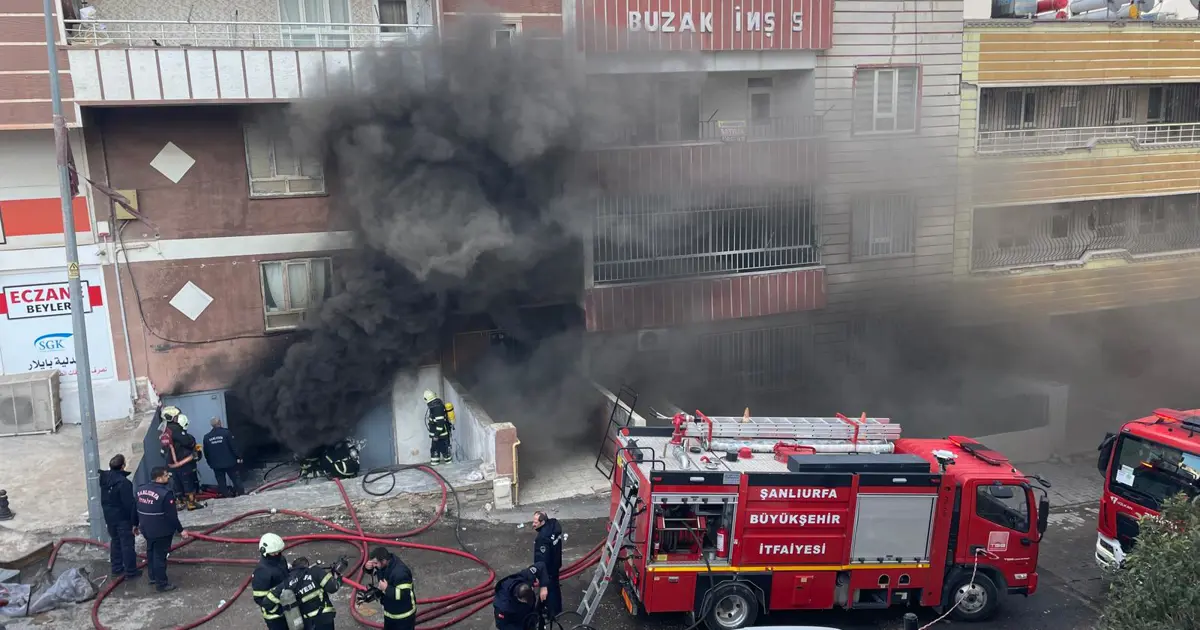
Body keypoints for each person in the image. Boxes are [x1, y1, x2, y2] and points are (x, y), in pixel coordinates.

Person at [136, 466, 190, 592]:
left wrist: (135, 524)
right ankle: (161, 584)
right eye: (166, 475)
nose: (168, 477)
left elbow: (136, 508)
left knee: (150, 551)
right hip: (161, 531)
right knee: (160, 556)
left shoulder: (140, 490)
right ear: (159, 478)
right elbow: (172, 515)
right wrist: (181, 530)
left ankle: (153, 577)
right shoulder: (165, 494)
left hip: (146, 529)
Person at [99, 454, 141, 580]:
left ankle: (116, 568)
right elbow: (130, 504)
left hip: (109, 518)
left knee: (116, 542)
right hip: (122, 518)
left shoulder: (104, 479)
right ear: (123, 466)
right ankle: (131, 571)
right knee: (127, 545)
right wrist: (135, 522)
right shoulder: (124, 483)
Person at [277, 556, 342, 630]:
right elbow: (332, 587)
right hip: (323, 618)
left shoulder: (287, 582)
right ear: (306, 565)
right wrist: (339, 579)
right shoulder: (315, 571)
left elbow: (269, 601)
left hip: (305, 623)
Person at [160, 409, 204, 511]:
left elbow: (164, 451)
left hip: (171, 464)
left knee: (177, 484)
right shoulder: (176, 429)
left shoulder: (165, 431)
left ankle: (179, 502)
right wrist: (192, 444)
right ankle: (191, 503)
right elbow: (188, 442)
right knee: (188, 483)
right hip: (183, 464)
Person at [364, 546, 417, 630]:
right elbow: (377, 571)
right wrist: (367, 568)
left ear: (384, 561)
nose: (374, 565)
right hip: (390, 613)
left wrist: (386, 589)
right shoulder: (383, 566)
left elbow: (403, 595)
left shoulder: (400, 573)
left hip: (403, 616)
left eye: (375, 563)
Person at [251, 533, 290, 630]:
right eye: (274, 553)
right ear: (264, 551)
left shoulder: (281, 559)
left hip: (288, 605)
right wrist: (277, 610)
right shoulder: (262, 571)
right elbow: (259, 598)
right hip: (274, 616)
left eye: (278, 551)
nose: (277, 554)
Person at [493, 563, 548, 630]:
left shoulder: (527, 577)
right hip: (514, 621)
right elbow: (502, 625)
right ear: (517, 596)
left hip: (528, 615)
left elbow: (541, 566)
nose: (526, 602)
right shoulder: (503, 605)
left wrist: (544, 586)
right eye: (524, 601)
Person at [531, 511, 564, 619]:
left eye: (535, 522)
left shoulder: (542, 539)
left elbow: (542, 561)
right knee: (555, 586)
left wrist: (542, 581)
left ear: (543, 522)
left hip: (548, 569)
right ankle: (557, 609)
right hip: (555, 564)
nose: (533, 524)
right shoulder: (554, 525)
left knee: (549, 590)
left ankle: (552, 613)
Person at [203, 417, 244, 497]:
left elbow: (206, 452)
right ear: (219, 423)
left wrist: (210, 463)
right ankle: (241, 494)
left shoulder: (207, 437)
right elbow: (233, 447)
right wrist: (239, 457)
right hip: (230, 463)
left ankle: (226, 496)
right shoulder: (226, 433)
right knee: (236, 479)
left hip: (216, 464)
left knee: (221, 482)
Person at [423, 390, 455, 465]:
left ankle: (451, 470)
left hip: (441, 436)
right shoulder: (435, 406)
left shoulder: (437, 408)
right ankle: (436, 469)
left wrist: (436, 435)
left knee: (445, 453)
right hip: (437, 436)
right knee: (434, 452)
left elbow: (440, 424)